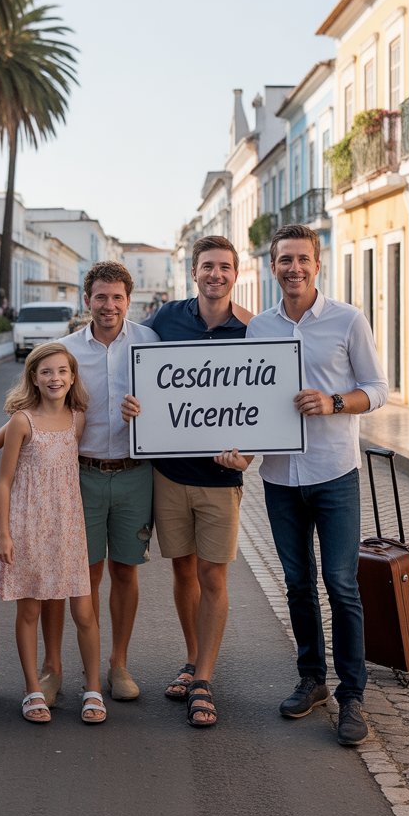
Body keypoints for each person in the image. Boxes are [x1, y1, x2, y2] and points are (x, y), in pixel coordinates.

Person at [0, 262, 158, 703]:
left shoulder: (149, 343)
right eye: (100, 297)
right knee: (68, 576)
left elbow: (174, 399)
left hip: (133, 474)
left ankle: (118, 665)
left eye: (117, 297)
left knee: (126, 571)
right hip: (80, 477)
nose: (109, 305)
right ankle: (52, 668)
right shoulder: (64, 351)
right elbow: (30, 414)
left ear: (129, 300)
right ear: (87, 300)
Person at [235, 223, 388, 747]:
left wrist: (333, 402)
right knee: (297, 585)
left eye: (302, 260)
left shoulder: (348, 320)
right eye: (284, 261)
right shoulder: (258, 327)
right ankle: (312, 679)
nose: (294, 269)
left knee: (341, 585)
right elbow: (255, 404)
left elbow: (377, 389)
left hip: (334, 472)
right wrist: (243, 451)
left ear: (317, 264)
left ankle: (353, 695)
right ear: (272, 267)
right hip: (279, 477)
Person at [121, 234, 251, 729]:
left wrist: (250, 454)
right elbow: (131, 367)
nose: (215, 274)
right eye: (207, 266)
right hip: (169, 474)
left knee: (213, 577)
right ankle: (194, 658)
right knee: (182, 572)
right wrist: (132, 402)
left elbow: (266, 400)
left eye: (224, 267)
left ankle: (204, 680)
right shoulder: (163, 320)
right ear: (193, 272)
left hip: (220, 479)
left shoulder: (253, 330)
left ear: (234, 274)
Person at [0, 342, 106, 725]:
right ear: (34, 379)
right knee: (30, 609)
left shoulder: (78, 419)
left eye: (61, 371)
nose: (55, 378)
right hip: (28, 526)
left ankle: (93, 688)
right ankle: (33, 690)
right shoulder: (23, 422)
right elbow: (5, 482)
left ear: (72, 377)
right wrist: (5, 534)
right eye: (46, 372)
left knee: (84, 611)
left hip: (68, 527)